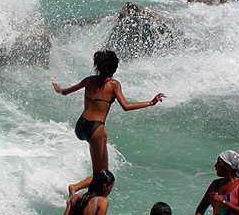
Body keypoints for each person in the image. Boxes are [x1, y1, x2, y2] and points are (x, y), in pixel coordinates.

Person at [52, 50, 164, 195]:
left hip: (81, 126)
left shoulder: (89, 80)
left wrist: (58, 89)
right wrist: (150, 102)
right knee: (103, 175)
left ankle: (88, 196)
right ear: (114, 69)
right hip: (95, 128)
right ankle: (76, 187)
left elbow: (65, 92)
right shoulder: (113, 85)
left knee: (103, 172)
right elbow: (126, 106)